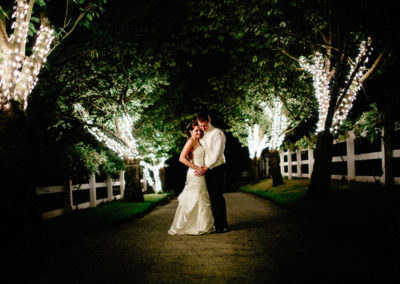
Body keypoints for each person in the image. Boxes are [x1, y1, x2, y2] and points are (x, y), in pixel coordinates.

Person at [168, 121, 214, 235]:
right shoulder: (190, 142)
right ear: (190, 131)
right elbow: (182, 158)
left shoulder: (201, 141)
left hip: (202, 173)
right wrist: (195, 167)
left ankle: (202, 225)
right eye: (196, 130)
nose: (199, 131)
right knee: (194, 198)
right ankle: (188, 226)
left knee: (201, 198)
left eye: (199, 130)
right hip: (195, 173)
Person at [195, 112, 228, 233]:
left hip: (218, 167)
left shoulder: (218, 133)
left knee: (217, 196)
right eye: (200, 125)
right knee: (210, 197)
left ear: (209, 121)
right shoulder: (202, 135)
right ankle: (215, 224)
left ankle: (222, 225)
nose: (202, 128)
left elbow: (217, 153)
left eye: (204, 125)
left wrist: (207, 166)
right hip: (207, 170)